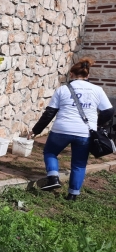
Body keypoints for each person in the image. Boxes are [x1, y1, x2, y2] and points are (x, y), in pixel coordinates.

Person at [28, 58, 114, 201]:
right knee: (79, 164)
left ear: (71, 74)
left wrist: (35, 131)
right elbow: (109, 111)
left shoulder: (62, 89)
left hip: (61, 129)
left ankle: (53, 178)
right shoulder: (97, 90)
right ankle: (73, 195)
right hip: (85, 133)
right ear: (87, 75)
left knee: (50, 152)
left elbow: (49, 113)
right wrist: (96, 125)